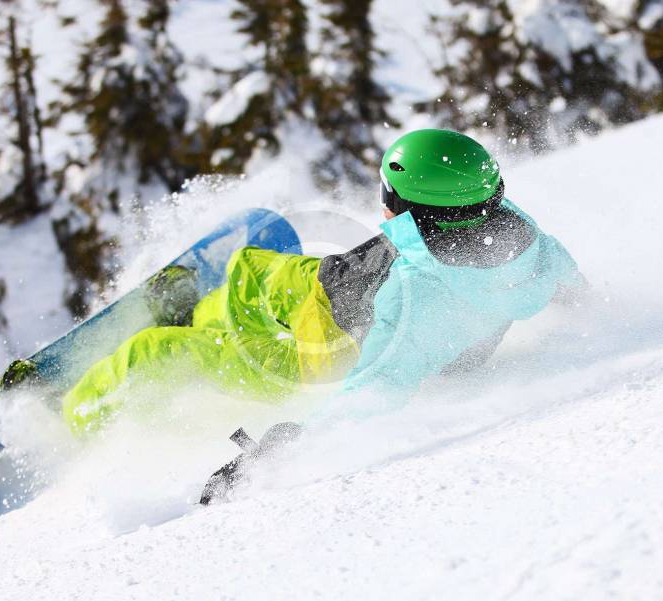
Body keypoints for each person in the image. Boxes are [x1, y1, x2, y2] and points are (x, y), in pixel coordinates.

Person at [59, 129, 585, 435]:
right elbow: (574, 288)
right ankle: (207, 307)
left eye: (387, 193)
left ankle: (69, 418)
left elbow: (374, 392)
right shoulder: (526, 242)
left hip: (314, 351)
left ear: (405, 205)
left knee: (159, 350)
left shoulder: (413, 301)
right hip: (338, 288)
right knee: (251, 270)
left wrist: (281, 449)